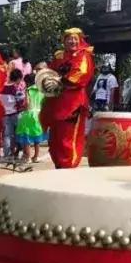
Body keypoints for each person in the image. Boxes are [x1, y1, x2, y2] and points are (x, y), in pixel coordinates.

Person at [40, 28, 94, 169]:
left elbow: (81, 74)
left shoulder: (83, 55)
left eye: (75, 38)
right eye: (69, 38)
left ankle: (68, 166)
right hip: (56, 102)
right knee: (56, 137)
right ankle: (59, 164)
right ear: (64, 41)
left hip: (73, 103)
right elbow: (50, 73)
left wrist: (60, 81)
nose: (72, 41)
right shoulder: (59, 56)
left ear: (80, 39)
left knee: (68, 136)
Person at [16, 73, 45, 163]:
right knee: (37, 136)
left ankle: (27, 157)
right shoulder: (41, 90)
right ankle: (36, 157)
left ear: (27, 82)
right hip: (39, 114)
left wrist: (22, 108)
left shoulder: (28, 90)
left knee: (26, 137)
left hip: (29, 114)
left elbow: (27, 103)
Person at [0, 68, 25, 160]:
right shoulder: (16, 88)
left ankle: (7, 154)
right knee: (19, 133)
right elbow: (21, 100)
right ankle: (19, 151)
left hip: (4, 114)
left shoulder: (1, 87)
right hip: (16, 113)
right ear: (18, 78)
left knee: (7, 135)